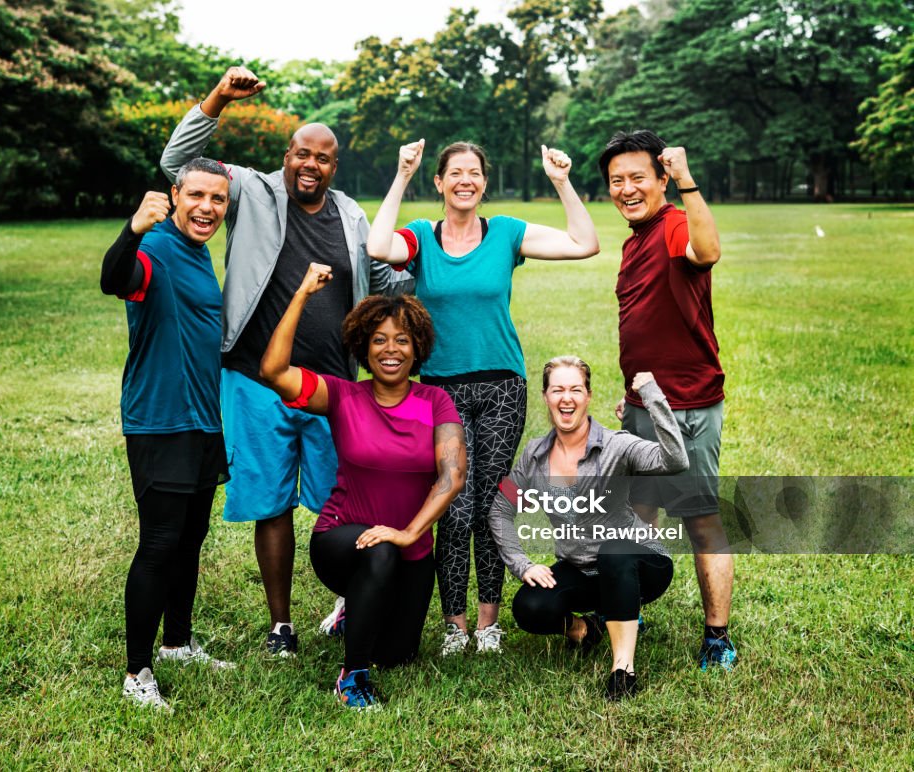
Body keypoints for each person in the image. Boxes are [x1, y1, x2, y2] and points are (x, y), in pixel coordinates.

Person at [159, 66, 408, 656]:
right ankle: (281, 626)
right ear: (287, 156)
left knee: (340, 500)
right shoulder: (251, 191)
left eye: (322, 157)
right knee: (271, 503)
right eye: (301, 153)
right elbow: (177, 165)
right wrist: (218, 98)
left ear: (333, 167)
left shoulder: (350, 214)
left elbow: (380, 278)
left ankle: (349, 606)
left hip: (330, 387)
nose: (310, 165)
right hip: (254, 378)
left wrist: (425, 272)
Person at [366, 139, 599, 655]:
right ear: (440, 182)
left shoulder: (507, 233)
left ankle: (489, 624)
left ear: (483, 183)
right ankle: (455, 626)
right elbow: (377, 247)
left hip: (501, 388)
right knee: (453, 505)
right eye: (455, 173)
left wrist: (561, 181)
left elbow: (585, 243)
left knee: (491, 504)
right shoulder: (422, 237)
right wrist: (402, 173)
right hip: (441, 390)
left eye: (474, 172)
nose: (465, 180)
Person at [258, 263, 466, 709]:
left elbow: (453, 476)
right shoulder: (342, 395)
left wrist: (410, 533)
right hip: (342, 539)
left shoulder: (436, 401)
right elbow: (274, 371)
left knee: (399, 654)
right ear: (362, 347)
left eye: (402, 340)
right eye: (379, 340)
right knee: (379, 551)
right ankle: (351, 676)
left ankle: (354, 612)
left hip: (410, 549)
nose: (390, 350)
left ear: (418, 348)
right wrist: (301, 295)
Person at [100, 157, 235, 712]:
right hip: (161, 420)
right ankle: (137, 673)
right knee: (159, 542)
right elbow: (114, 279)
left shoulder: (200, 253)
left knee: (190, 538)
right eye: (197, 195)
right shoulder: (154, 247)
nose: (207, 207)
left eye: (218, 200)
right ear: (176, 194)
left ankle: (177, 642)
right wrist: (132, 229)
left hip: (203, 420)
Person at [598, 130, 736, 670]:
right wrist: (632, 391)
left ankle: (717, 636)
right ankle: (635, 611)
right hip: (643, 405)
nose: (627, 189)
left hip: (687, 407)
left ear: (660, 179)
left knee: (700, 518)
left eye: (638, 178)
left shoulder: (675, 221)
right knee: (639, 514)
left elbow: (708, 251)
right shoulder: (636, 238)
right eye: (616, 181)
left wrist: (688, 180)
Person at [488, 357, 687, 700]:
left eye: (575, 389)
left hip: (641, 563)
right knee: (529, 607)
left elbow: (675, 461)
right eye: (558, 390)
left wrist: (653, 396)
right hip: (581, 568)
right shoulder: (534, 458)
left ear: (588, 396)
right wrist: (522, 564)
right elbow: (501, 509)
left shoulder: (616, 445)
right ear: (546, 397)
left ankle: (622, 669)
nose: (567, 398)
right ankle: (586, 629)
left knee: (614, 551)